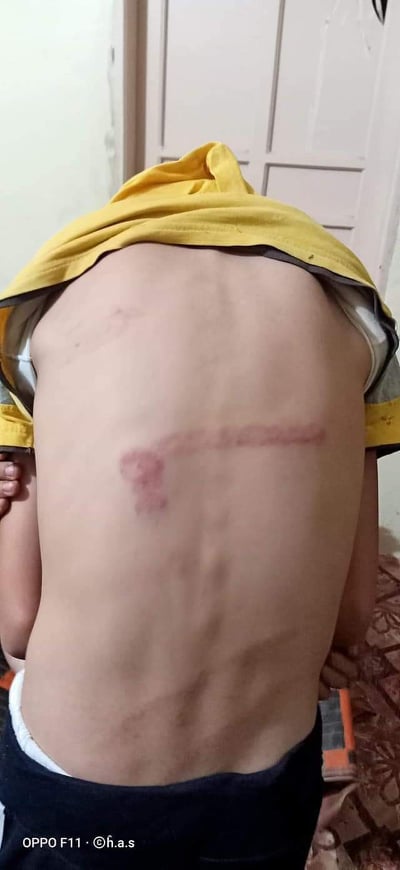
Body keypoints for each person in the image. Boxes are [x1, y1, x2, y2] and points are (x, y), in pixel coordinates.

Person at [0, 142, 399, 869]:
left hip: (79, 800)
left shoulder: (40, 311)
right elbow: (350, 616)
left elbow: (19, 625)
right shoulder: (356, 317)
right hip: (260, 791)